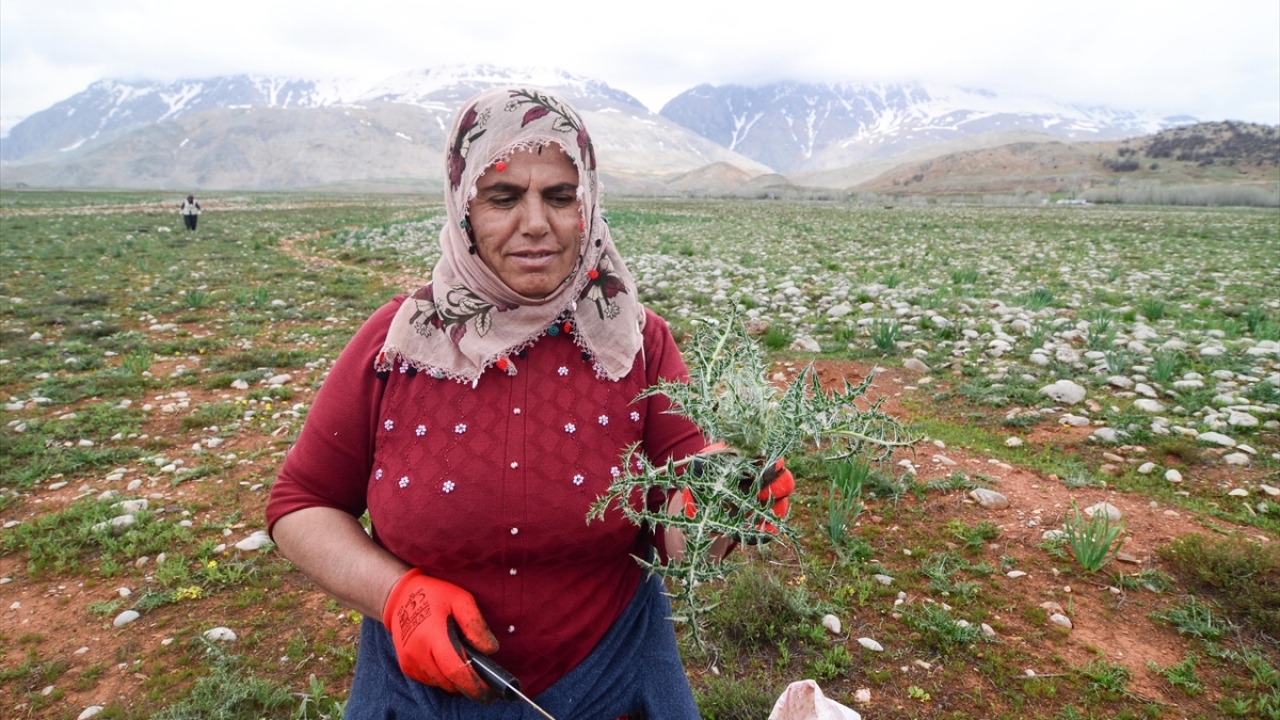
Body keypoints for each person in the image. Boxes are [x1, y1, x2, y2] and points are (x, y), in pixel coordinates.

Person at [266, 87, 791, 719]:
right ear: (464, 205)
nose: (536, 222)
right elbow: (301, 505)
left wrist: (724, 501)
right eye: (504, 197)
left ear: (587, 206)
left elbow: (677, 533)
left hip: (613, 686)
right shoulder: (395, 345)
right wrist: (396, 597)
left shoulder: (637, 342)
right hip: (420, 697)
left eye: (559, 196)